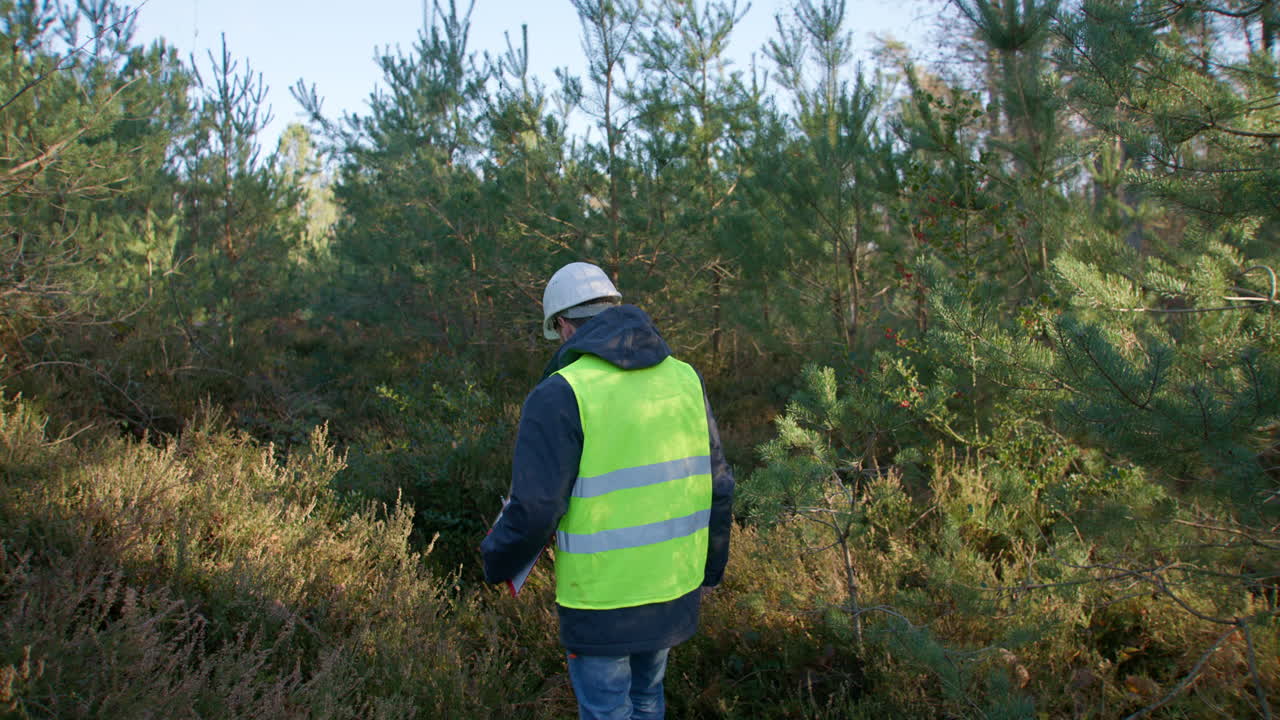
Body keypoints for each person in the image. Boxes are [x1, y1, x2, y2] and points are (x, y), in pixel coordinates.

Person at [481, 261, 735, 720]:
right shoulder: (685, 379)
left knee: (606, 711)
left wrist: (496, 561)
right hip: (671, 587)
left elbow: (536, 509)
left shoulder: (561, 393)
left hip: (600, 602)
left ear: (562, 325)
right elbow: (719, 485)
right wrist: (711, 570)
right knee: (646, 701)